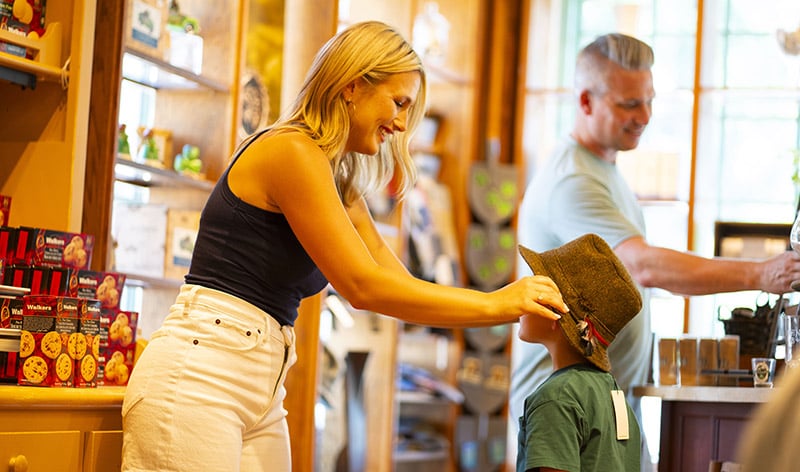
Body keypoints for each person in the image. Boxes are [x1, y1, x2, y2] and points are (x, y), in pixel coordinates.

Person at [121, 21, 568, 472]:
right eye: (398, 103)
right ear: (353, 85)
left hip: (260, 383)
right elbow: (362, 287)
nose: (400, 124)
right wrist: (498, 305)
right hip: (201, 375)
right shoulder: (291, 152)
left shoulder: (339, 182)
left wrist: (503, 305)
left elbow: (396, 285)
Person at [508, 32, 800, 464]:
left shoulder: (606, 171)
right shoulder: (573, 181)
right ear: (585, 102)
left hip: (608, 406)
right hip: (569, 420)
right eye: (629, 104)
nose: (644, 115)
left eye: (649, 100)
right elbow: (644, 267)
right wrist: (760, 274)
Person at [516, 233, 643, 472]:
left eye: (536, 288)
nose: (522, 299)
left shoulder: (556, 398)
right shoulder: (612, 394)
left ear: (555, 312)